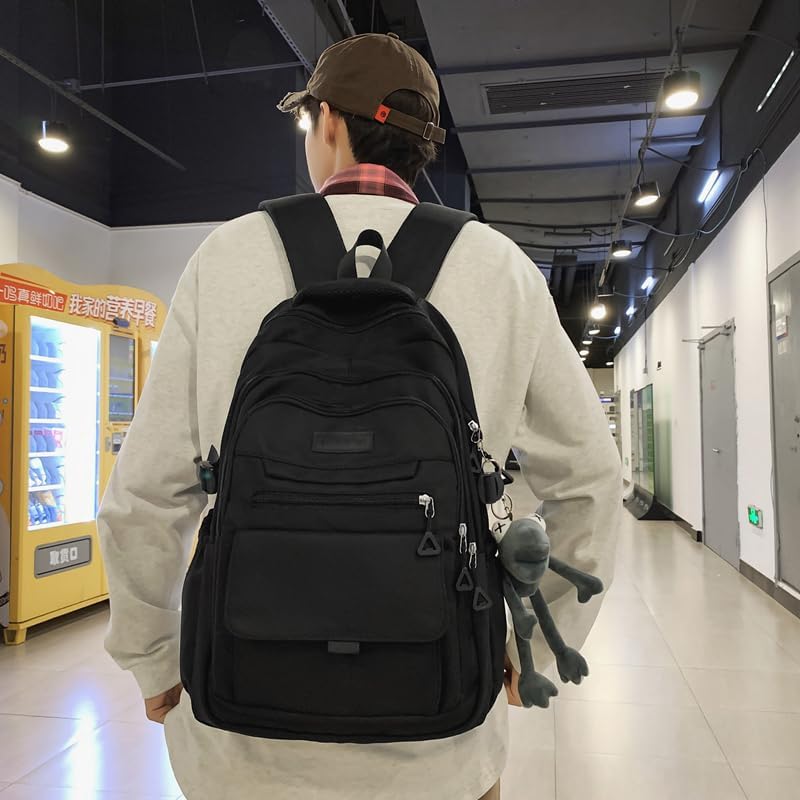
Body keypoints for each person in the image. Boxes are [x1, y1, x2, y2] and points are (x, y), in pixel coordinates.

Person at [98, 32, 620, 800]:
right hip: (442, 739)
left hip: (243, 739)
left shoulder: (226, 258)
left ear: (328, 122)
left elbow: (143, 494)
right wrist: (534, 646)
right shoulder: (499, 268)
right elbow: (591, 480)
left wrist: (151, 657)